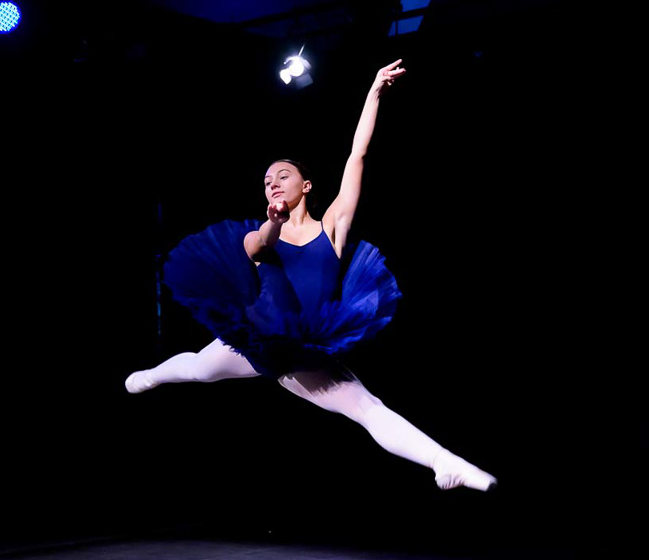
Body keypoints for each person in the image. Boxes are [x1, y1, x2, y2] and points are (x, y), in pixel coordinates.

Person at [126, 60, 495, 492]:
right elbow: (260, 244)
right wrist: (274, 222)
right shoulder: (260, 234)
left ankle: (445, 462)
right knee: (199, 369)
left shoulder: (332, 227)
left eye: (283, 176)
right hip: (258, 339)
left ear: (306, 185)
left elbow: (357, 155)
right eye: (267, 181)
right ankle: (151, 376)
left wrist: (374, 91)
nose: (273, 183)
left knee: (370, 408)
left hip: (304, 351)